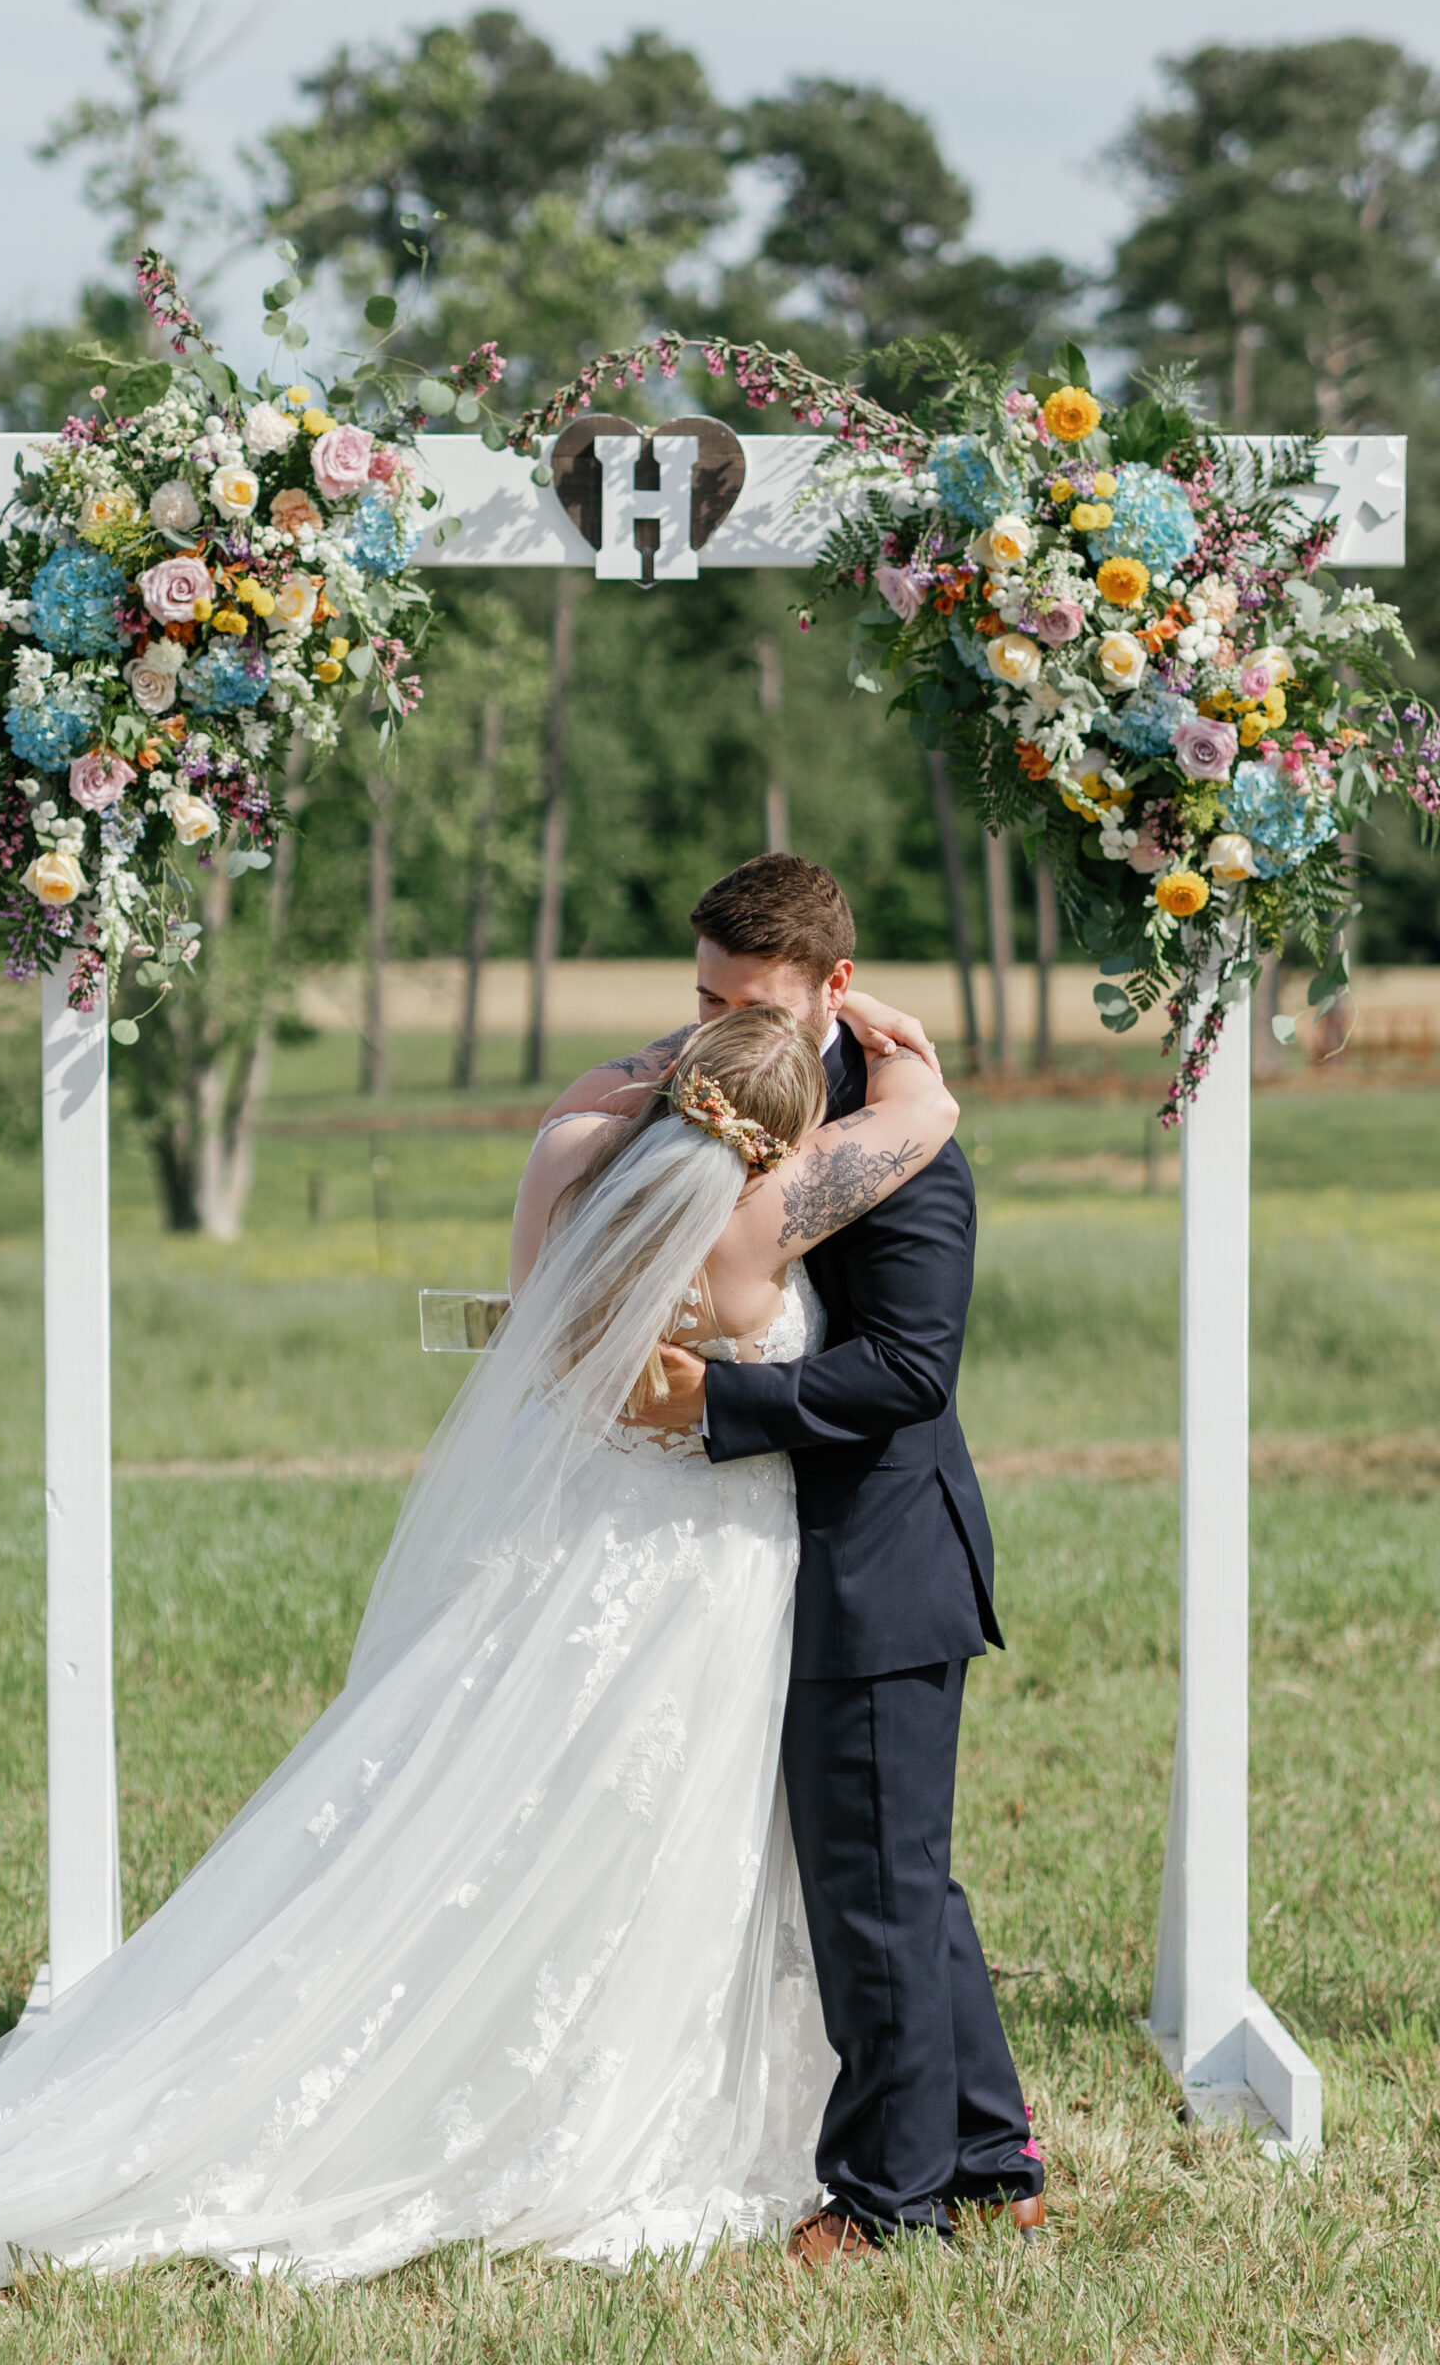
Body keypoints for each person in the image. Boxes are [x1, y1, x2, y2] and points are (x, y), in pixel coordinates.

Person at [0, 996, 957, 2277]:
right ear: (781, 1134)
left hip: (582, 1540)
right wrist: (905, 1075)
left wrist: (644, 1069)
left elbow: (556, 1263)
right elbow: (919, 1123)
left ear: (674, 1092)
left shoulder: (573, 1158)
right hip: (707, 1564)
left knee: (533, 1807)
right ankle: (604, 2097)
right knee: (665, 1828)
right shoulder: (769, 1211)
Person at [556, 854, 1045, 2258]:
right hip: (761, 1554)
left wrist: (715, 1404)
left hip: (876, 1558)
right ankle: (987, 2153)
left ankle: (889, 2205)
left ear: (836, 987)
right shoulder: (731, 1082)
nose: (719, 1031)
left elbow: (909, 1371)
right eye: (704, 997)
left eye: (749, 1003)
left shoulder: (910, 1145)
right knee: (903, 1877)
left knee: (873, 1895)